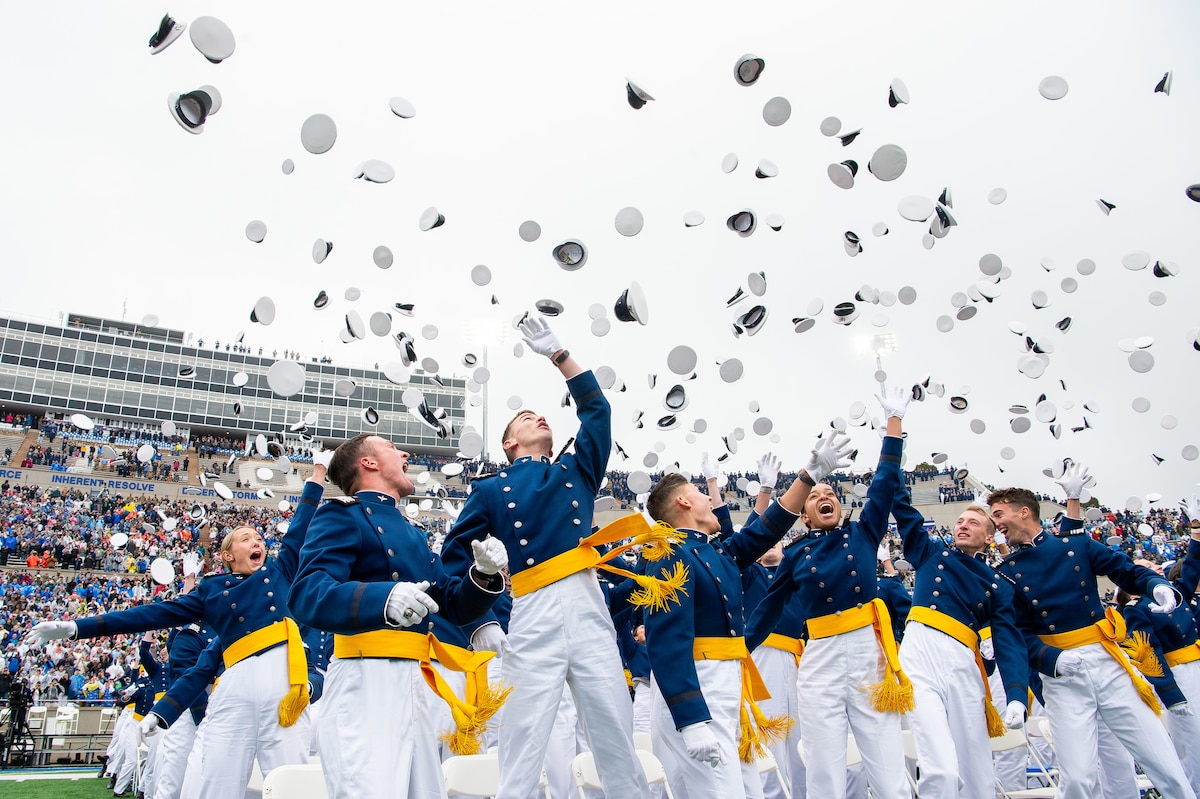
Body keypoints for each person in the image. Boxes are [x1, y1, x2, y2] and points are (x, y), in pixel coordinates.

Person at [26, 451, 332, 799]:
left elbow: (302, 522)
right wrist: (78, 628)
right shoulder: (211, 591)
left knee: (289, 785)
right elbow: (149, 617)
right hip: (233, 694)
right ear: (228, 555)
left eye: (259, 539)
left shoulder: (279, 572)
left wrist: (319, 470)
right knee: (216, 786)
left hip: (285, 694)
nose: (257, 542)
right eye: (247, 538)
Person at [440, 313, 651, 799]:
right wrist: (481, 621)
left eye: (542, 415)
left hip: (587, 605)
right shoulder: (490, 490)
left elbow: (597, 413)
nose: (539, 417)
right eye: (524, 418)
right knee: (521, 741)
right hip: (532, 612)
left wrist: (562, 357)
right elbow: (454, 559)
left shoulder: (575, 471)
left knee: (615, 736)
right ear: (509, 443)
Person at [288, 433, 508, 799]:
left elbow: (452, 604)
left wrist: (483, 575)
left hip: (419, 681)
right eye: (391, 447)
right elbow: (307, 594)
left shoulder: (411, 533)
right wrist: (382, 598)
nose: (405, 452)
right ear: (368, 463)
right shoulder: (342, 514)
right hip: (366, 680)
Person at [990, 468, 1197, 799]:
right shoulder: (1006, 573)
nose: (996, 524)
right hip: (1063, 678)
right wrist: (1053, 659)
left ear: (1024, 511)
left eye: (999, 514)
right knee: (1078, 780)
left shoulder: (1076, 545)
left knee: (1164, 763)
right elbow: (1018, 635)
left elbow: (1125, 571)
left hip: (1109, 665)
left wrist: (1156, 585)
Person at [747, 388, 913, 799]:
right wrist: (739, 652)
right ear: (803, 514)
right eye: (816, 497)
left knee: (887, 767)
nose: (825, 499)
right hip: (819, 658)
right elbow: (768, 609)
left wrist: (893, 425)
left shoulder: (864, 532)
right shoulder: (796, 553)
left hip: (868, 656)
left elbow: (886, 482)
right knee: (823, 769)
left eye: (831, 496)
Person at [642, 445, 820, 799]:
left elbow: (764, 531)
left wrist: (807, 478)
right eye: (700, 494)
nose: (709, 501)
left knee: (747, 791)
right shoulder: (669, 554)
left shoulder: (713, 551)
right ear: (684, 503)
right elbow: (666, 642)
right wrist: (691, 719)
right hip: (700, 689)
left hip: (725, 684)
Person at [892, 482, 1028, 799]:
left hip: (962, 662)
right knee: (940, 769)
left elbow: (1009, 641)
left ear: (990, 536)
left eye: (974, 522)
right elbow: (902, 509)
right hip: (919, 655)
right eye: (960, 521)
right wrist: (894, 442)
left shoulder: (999, 584)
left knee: (976, 769)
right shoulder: (930, 552)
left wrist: (1017, 695)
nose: (963, 526)